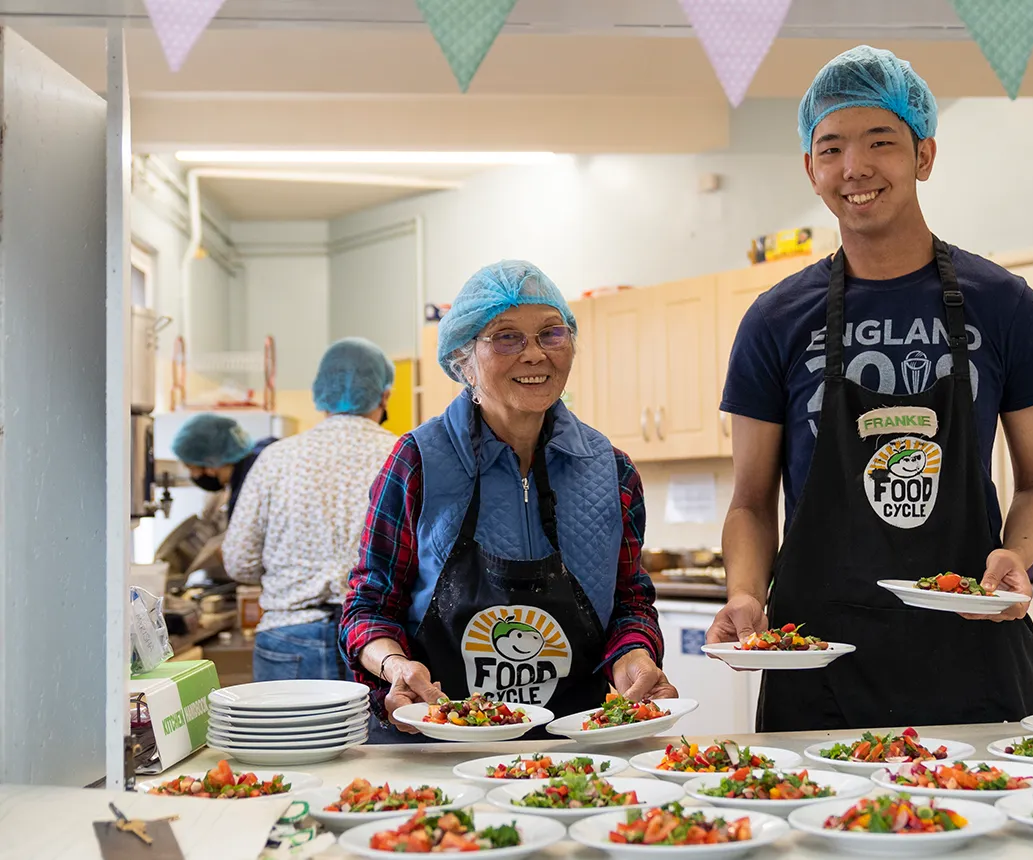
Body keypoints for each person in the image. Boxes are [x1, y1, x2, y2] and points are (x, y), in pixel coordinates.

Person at [707, 46, 1033, 731]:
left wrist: (1015, 556)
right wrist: (746, 593)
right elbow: (750, 503)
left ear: (924, 156)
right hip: (815, 660)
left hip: (972, 653)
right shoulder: (775, 320)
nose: (855, 167)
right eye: (831, 147)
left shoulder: (1005, 305)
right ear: (811, 169)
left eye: (881, 141)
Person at [340, 260, 675, 739]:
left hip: (575, 749)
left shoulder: (610, 469)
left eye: (551, 333)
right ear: (464, 360)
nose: (535, 354)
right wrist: (394, 666)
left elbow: (630, 602)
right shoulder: (417, 461)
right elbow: (368, 607)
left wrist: (634, 654)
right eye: (506, 337)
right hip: (439, 741)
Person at [222, 338, 399, 681]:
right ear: (384, 396)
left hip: (287, 633)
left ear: (320, 393)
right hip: (376, 642)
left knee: (290, 721)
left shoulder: (276, 458)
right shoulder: (403, 455)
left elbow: (239, 560)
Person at [170, 412, 277, 577]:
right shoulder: (267, 452)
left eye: (192, 468)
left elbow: (246, 558)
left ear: (211, 463)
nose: (194, 476)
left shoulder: (246, 490)